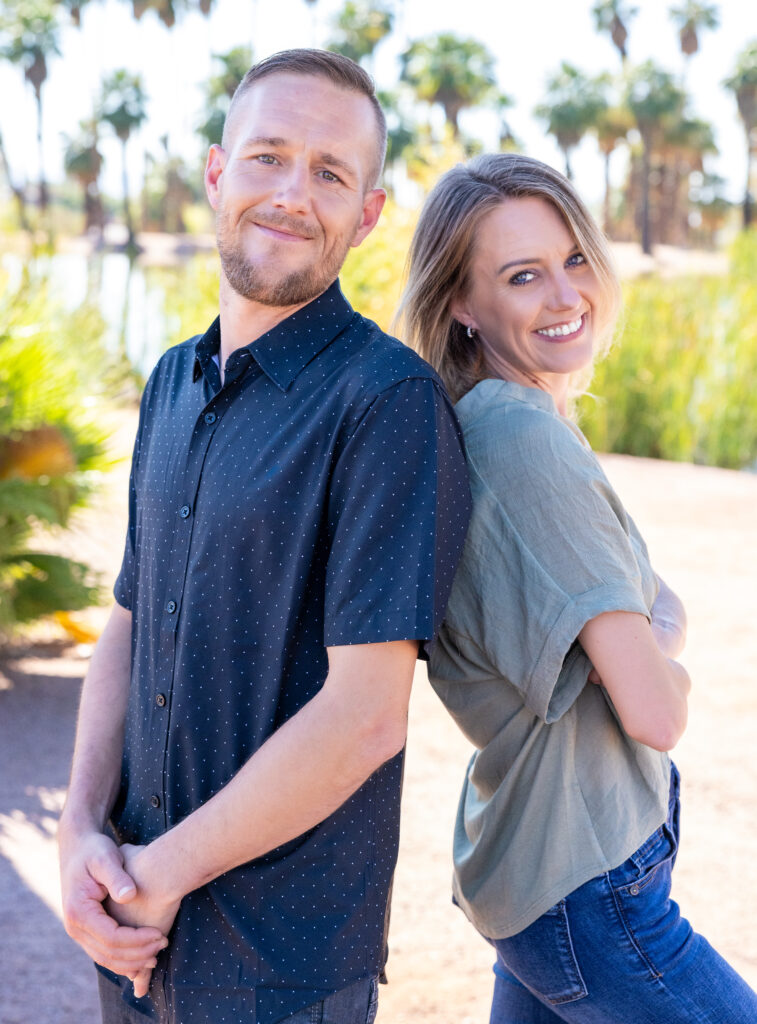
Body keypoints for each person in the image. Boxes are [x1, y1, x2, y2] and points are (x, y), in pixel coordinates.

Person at [58, 49, 471, 1024]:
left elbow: (367, 712)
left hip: (275, 967)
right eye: (267, 156)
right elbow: (127, 615)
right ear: (215, 171)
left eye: (330, 173)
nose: (292, 193)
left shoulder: (386, 404)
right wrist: (80, 832)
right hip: (131, 938)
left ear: (366, 215)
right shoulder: (167, 381)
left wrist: (161, 871)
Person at [398, 152, 757, 1023]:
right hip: (587, 883)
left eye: (573, 260)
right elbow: (655, 711)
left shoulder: (486, 427)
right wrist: (654, 651)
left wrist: (637, 637)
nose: (566, 296)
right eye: (523, 275)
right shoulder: (524, 444)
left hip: (540, 878)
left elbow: (649, 616)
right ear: (460, 304)